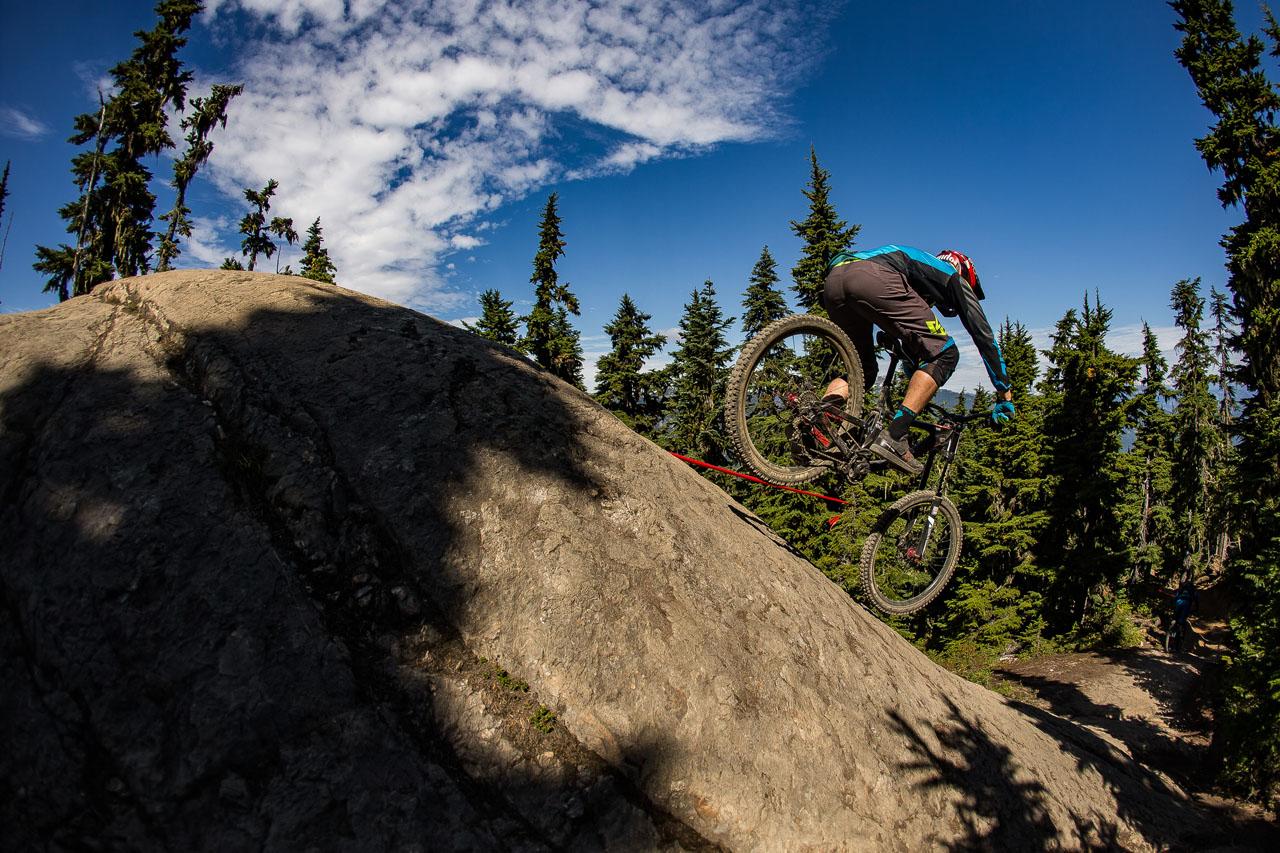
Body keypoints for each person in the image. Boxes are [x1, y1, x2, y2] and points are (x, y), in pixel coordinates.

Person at [819, 245, 1014, 474]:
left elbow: (914, 347)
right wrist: (1004, 394)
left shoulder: (916, 276)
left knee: (863, 372)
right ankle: (894, 436)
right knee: (947, 354)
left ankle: (815, 422)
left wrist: (919, 388)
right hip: (872, 277)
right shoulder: (950, 275)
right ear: (964, 272)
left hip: (833, 283)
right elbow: (984, 337)